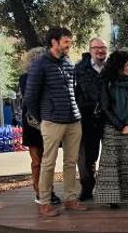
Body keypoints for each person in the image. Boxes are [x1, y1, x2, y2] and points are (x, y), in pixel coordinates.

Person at [24, 27, 87, 217]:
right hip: (52, 121)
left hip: (74, 120)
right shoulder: (40, 65)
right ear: (54, 42)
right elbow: (30, 97)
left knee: (71, 162)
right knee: (48, 162)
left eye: (70, 42)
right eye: (66, 42)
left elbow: (73, 90)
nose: (70, 45)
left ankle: (70, 199)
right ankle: (44, 202)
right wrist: (44, 115)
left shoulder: (68, 63)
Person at [94, 50, 128, 209]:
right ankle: (113, 199)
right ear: (121, 65)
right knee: (112, 165)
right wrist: (120, 126)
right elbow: (105, 107)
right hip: (112, 129)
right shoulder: (106, 82)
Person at [18, 46, 60, 206]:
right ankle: (39, 192)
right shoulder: (25, 78)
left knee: (48, 160)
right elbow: (32, 97)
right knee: (37, 161)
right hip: (32, 124)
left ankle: (49, 191)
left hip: (49, 122)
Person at [74, 37, 108, 201]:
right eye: (97, 48)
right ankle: (87, 187)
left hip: (109, 118)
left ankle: (109, 188)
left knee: (109, 155)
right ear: (90, 49)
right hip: (87, 118)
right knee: (87, 156)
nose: (100, 51)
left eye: (103, 48)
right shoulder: (79, 68)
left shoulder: (112, 68)